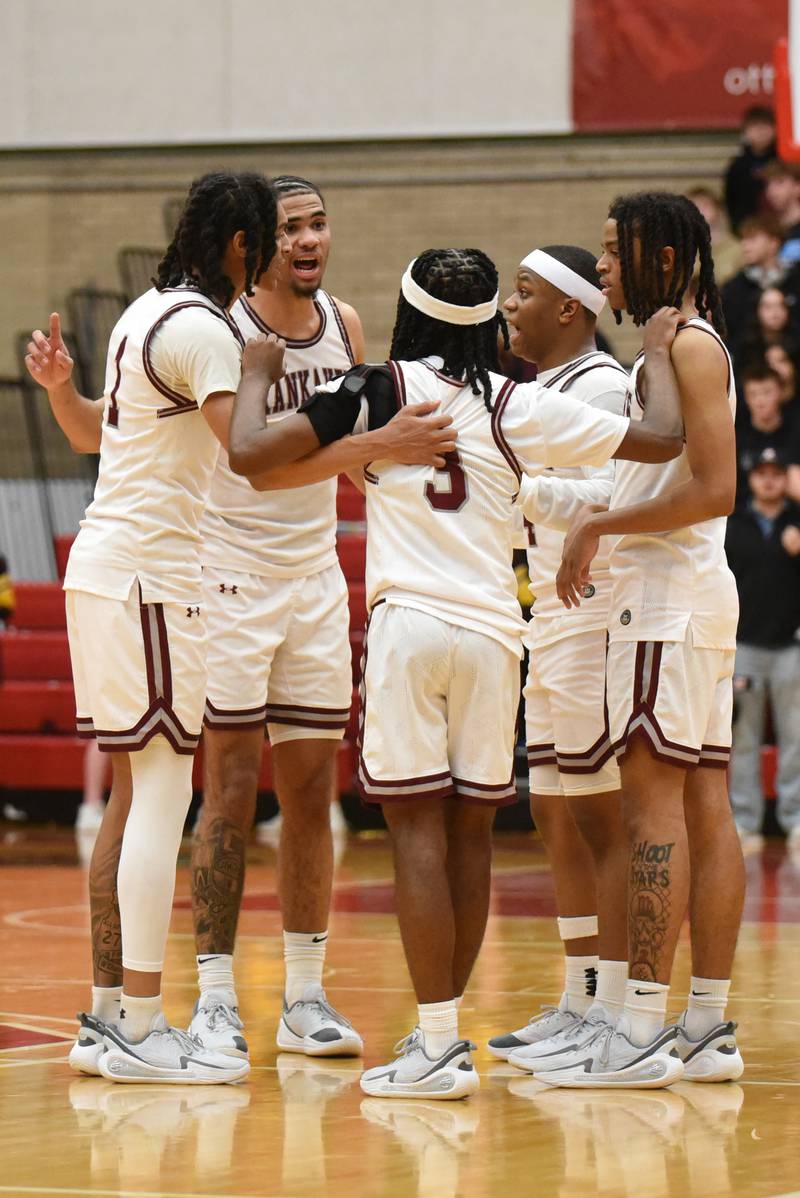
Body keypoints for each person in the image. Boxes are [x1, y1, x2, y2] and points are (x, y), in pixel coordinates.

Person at [226, 246, 687, 1099]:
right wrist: (657, 348)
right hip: (494, 632)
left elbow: (251, 453)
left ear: (407, 310)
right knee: (471, 834)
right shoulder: (516, 399)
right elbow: (661, 435)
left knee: (414, 836)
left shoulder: (377, 388)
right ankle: (443, 1039)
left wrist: (258, 369)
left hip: (411, 629)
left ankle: (435, 1045)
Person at [23, 170, 285, 1084]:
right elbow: (248, 455)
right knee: (164, 795)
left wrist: (57, 390)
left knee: (139, 796)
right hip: (150, 582)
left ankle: (107, 1018)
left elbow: (95, 434)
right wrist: (359, 439)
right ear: (240, 247)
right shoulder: (208, 329)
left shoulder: (144, 314)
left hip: (105, 572)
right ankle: (141, 1019)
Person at [554, 192, 746, 1088]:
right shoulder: (674, 345)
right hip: (691, 596)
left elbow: (715, 489)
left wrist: (605, 525)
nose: (603, 268)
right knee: (708, 810)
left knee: (654, 814)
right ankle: (705, 1025)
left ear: (659, 257)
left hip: (669, 596)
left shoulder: (691, 347)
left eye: (613, 252)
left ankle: (638, 1027)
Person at [189, 174, 366, 1060]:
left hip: (313, 575)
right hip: (229, 573)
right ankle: (214, 999)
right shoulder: (227, 331)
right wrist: (362, 451)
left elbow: (353, 467)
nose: (308, 239)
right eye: (291, 226)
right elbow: (257, 465)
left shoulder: (346, 325)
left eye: (318, 223)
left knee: (308, 791)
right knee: (226, 789)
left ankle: (304, 995)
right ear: (258, 242)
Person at [485, 246, 631, 1071]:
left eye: (527, 292)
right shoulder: (541, 391)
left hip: (596, 611)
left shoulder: (605, 389)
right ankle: (579, 996)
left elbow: (617, 496)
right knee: (549, 808)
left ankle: (613, 1003)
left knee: (596, 813)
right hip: (547, 614)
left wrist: (523, 494)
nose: (512, 305)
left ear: (570, 309)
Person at [725, 449, 800, 851]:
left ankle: (796, 821)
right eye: (762, 474)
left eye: (776, 474)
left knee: (796, 738)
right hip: (744, 645)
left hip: (792, 646)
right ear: (751, 479)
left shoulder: (796, 521)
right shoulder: (732, 525)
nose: (769, 481)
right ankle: (746, 822)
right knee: (744, 738)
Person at [721, 214, 800, 352]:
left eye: (752, 239)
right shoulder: (733, 288)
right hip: (750, 364)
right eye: (743, 239)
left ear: (774, 243)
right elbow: (732, 335)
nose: (745, 245)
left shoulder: (796, 280)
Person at [736, 365, 799, 499]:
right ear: (745, 398)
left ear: (781, 393)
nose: (760, 400)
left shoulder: (795, 429)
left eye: (767, 392)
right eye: (753, 394)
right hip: (744, 513)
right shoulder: (735, 435)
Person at [724, 105, 777, 234]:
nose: (760, 131)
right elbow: (731, 200)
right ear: (745, 131)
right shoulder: (737, 166)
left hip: (779, 228)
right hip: (746, 230)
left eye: (765, 125)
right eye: (754, 126)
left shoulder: (783, 161)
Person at [686, 188, 741, 285]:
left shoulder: (738, 248)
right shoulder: (683, 249)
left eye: (705, 206)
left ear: (718, 210)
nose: (699, 211)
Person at [763, 161, 800, 266]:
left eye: (779, 182)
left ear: (797, 187)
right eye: (768, 184)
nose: (771, 190)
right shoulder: (767, 227)